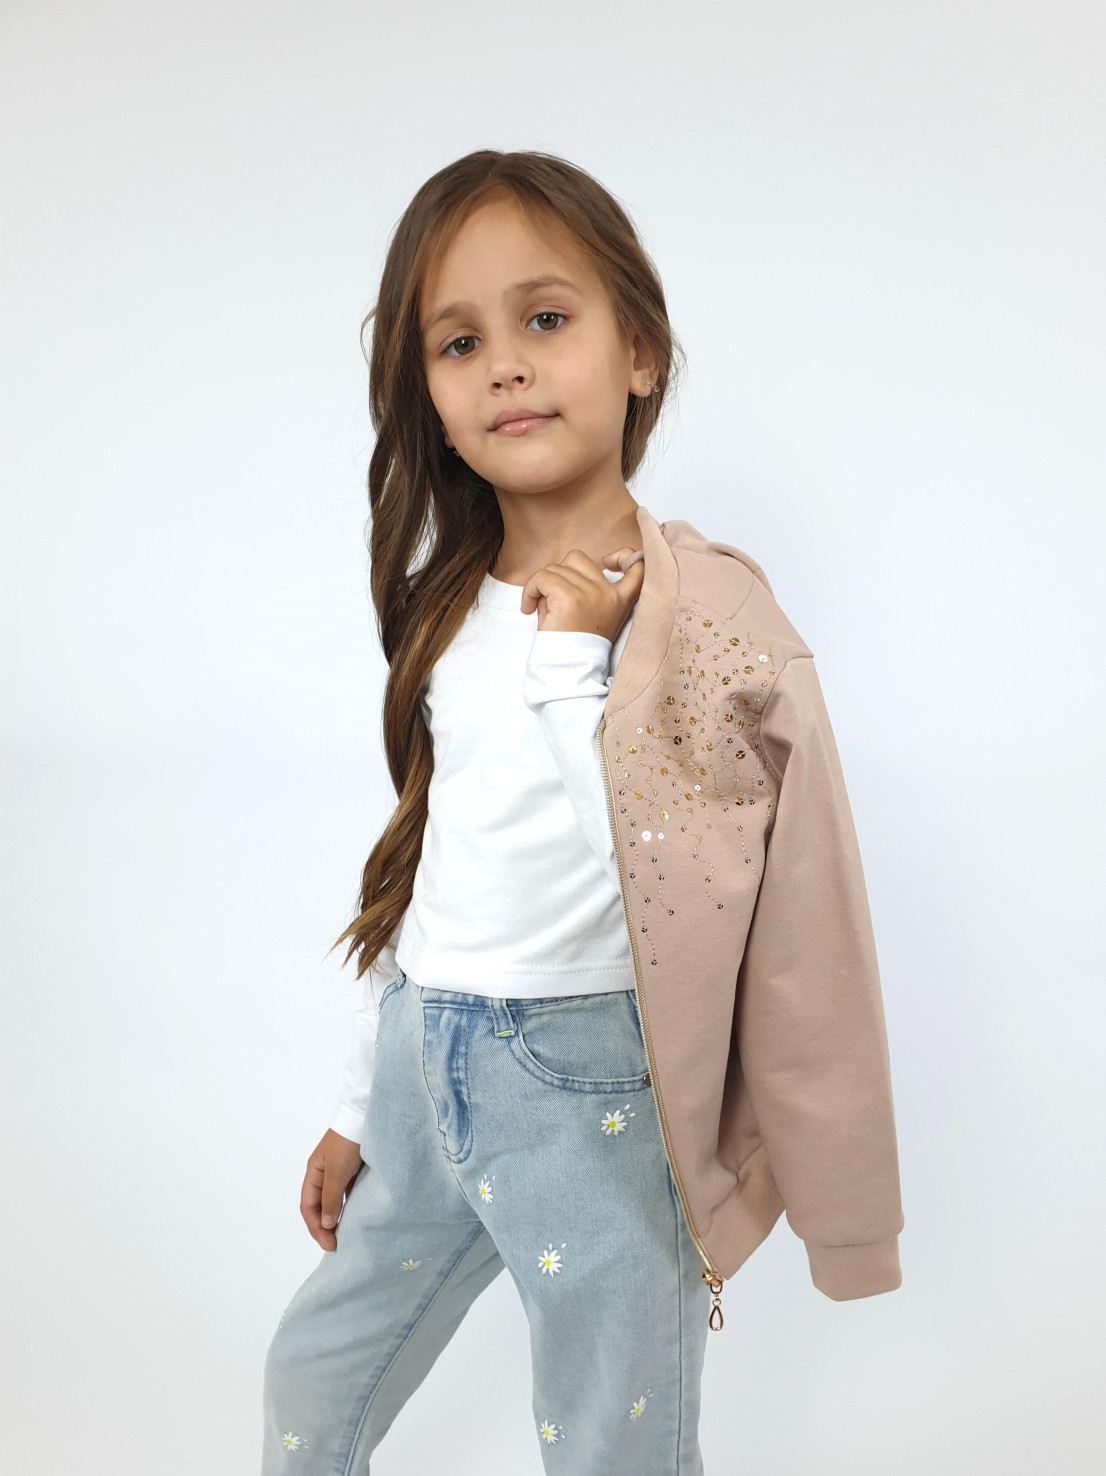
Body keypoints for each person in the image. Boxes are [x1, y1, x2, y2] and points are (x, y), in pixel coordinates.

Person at [260, 149, 903, 1475]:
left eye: (545, 319)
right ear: (430, 399)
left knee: (612, 1437)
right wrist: (358, 1101)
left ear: (640, 354)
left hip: (592, 1088)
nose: (504, 365)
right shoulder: (447, 601)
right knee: (313, 1376)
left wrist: (572, 666)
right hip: (424, 1055)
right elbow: (437, 860)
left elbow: (703, 888)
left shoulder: (711, 615)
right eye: (459, 342)